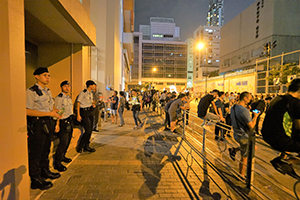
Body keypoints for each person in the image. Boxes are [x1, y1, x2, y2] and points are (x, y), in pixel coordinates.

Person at [26, 67, 61, 190]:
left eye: (49, 75)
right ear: (37, 76)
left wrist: (54, 111)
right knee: (37, 151)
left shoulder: (48, 91)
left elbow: (49, 107)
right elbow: (27, 111)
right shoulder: (31, 91)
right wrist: (49, 114)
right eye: (45, 75)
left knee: (46, 149)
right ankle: (35, 179)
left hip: (48, 122)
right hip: (38, 125)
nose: (48, 77)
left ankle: (45, 171)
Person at [262, 79, 300, 174]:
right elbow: (298, 126)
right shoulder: (295, 102)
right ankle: (285, 161)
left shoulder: (276, 99)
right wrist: (254, 117)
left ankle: (283, 159)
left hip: (267, 135)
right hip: (280, 140)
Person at [228, 91, 259, 178]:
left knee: (253, 147)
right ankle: (241, 174)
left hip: (236, 134)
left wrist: (247, 111)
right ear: (245, 98)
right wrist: (255, 116)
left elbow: (240, 117)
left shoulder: (234, 107)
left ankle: (234, 150)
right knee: (245, 156)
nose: (250, 100)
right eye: (249, 98)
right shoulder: (244, 111)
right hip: (243, 136)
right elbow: (251, 126)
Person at [53, 81, 74, 172]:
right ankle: (57, 162)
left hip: (70, 120)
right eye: (65, 86)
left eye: (68, 86)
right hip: (62, 121)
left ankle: (63, 156)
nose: (67, 88)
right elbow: (59, 111)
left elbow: (67, 109)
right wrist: (57, 124)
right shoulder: (59, 98)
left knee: (68, 140)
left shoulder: (68, 97)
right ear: (61, 88)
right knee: (63, 142)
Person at [76, 80, 97, 153]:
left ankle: (86, 146)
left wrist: (92, 104)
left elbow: (88, 102)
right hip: (84, 112)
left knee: (90, 130)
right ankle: (80, 146)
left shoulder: (90, 93)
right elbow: (78, 103)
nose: (94, 86)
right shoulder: (83, 93)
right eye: (93, 85)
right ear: (90, 85)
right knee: (87, 130)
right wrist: (78, 115)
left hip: (90, 111)